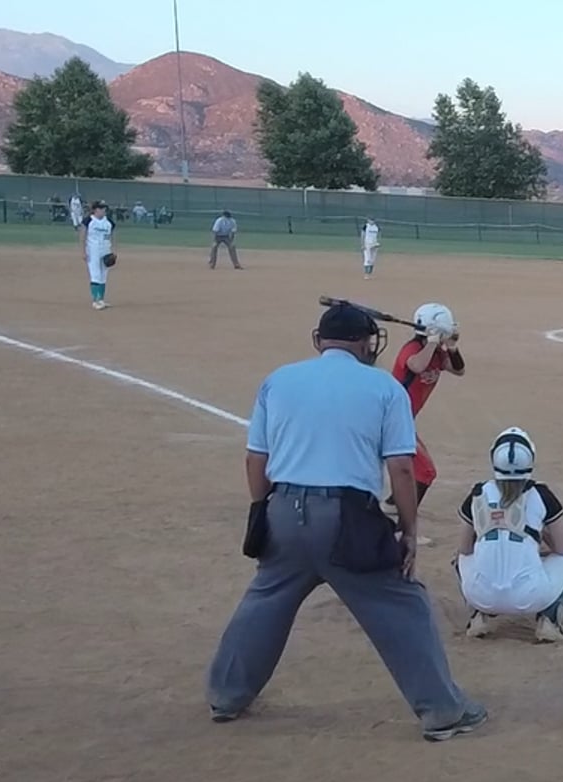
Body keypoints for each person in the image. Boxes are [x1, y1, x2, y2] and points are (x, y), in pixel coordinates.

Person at [205, 302, 488, 741]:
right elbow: (401, 468)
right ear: (365, 343)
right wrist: (409, 531)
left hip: (283, 509)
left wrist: (263, 512)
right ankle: (442, 711)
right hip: (346, 517)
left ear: (319, 341)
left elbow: (255, 459)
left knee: (266, 600)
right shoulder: (384, 387)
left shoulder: (278, 380)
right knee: (404, 604)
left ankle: (226, 695)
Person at [452, 428, 563, 645]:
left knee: (460, 556)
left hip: (480, 594)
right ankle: (549, 619)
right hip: (530, 596)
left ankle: (478, 614)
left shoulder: (477, 493)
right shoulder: (541, 494)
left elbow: (465, 548)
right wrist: (536, 536)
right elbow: (562, 549)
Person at [385, 302, 466, 526]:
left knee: (415, 466)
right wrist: (431, 342)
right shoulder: (412, 349)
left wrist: (452, 347)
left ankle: (393, 503)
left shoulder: (438, 354)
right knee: (426, 471)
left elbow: (459, 370)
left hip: (403, 420)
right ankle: (404, 524)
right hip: (391, 420)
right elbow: (417, 366)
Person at [82, 201, 115, 310]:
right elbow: (83, 236)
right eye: (101, 208)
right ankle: (95, 301)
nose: (103, 210)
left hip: (106, 250)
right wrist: (83, 251)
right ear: (95, 210)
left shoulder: (109, 222)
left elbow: (112, 236)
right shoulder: (89, 221)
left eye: (104, 208)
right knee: (95, 274)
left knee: (103, 275)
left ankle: (101, 300)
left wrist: (112, 250)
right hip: (93, 250)